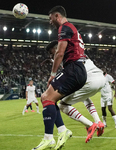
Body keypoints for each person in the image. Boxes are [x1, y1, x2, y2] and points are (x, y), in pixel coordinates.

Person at [33, 6, 88, 150]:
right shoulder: (72, 28)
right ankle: (63, 131)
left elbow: (59, 53)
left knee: (46, 97)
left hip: (74, 69)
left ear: (57, 15)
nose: (49, 21)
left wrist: (52, 75)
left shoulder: (65, 27)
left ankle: (48, 139)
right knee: (50, 100)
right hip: (77, 70)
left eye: (50, 18)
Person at [42, 40, 105, 143]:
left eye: (51, 52)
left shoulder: (65, 56)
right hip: (100, 78)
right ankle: (98, 121)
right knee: (84, 97)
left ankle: (90, 125)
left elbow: (61, 60)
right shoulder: (75, 52)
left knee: (62, 105)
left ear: (56, 48)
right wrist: (51, 61)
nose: (51, 55)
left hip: (89, 79)